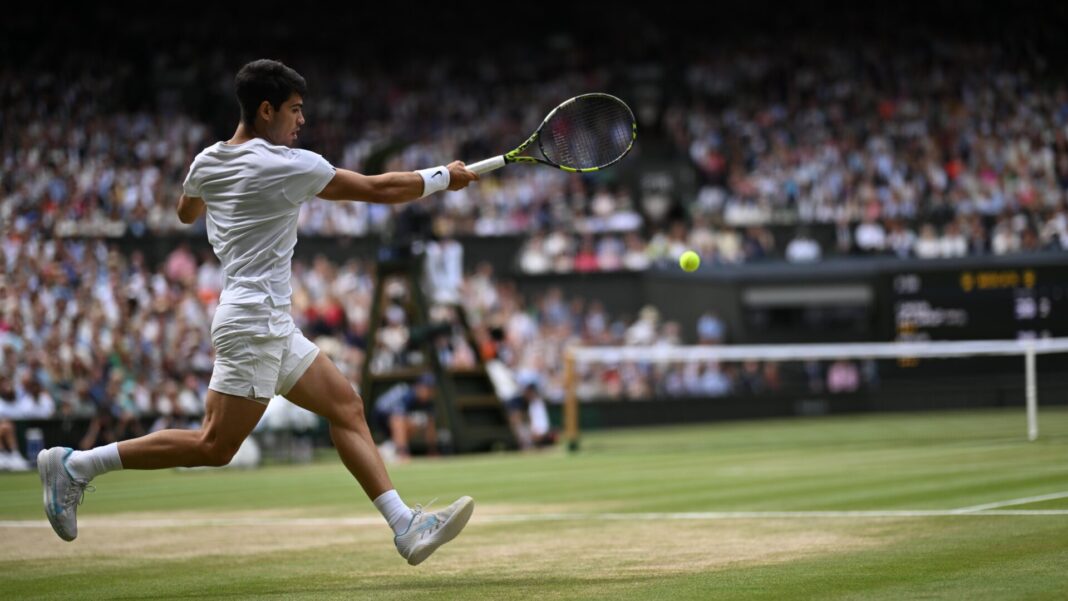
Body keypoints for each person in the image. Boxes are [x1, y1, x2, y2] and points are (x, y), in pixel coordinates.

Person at [37, 59, 478, 566]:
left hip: (265, 320)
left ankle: (406, 527)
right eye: (294, 110)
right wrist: (446, 176)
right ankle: (77, 466)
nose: (301, 121)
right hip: (253, 322)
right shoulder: (288, 165)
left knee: (347, 407)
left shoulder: (206, 161)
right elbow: (379, 189)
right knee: (213, 445)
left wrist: (230, 200)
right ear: (265, 109)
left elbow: (186, 210)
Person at [373, 373, 439, 462]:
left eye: (431, 389)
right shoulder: (407, 394)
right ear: (418, 386)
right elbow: (397, 419)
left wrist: (433, 451)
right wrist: (404, 452)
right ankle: (401, 453)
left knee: (418, 423)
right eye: (426, 388)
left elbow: (430, 424)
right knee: (400, 420)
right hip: (381, 415)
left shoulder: (428, 402)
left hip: (393, 418)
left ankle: (387, 450)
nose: (429, 392)